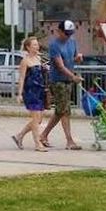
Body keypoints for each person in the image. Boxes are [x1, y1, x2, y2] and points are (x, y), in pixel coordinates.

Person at [38, 20, 84, 150]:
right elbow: (60, 66)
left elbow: (72, 59)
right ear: (59, 32)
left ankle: (43, 135)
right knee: (64, 111)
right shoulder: (54, 45)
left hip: (68, 80)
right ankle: (69, 141)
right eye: (66, 33)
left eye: (70, 33)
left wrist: (78, 58)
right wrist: (73, 77)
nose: (68, 36)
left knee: (61, 111)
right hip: (58, 81)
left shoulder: (72, 42)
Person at [11, 36, 50, 150]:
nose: (37, 47)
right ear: (28, 47)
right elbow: (22, 78)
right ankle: (38, 144)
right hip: (30, 92)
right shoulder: (25, 61)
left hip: (40, 91)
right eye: (34, 45)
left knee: (39, 119)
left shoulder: (39, 58)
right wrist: (19, 94)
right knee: (35, 118)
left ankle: (19, 136)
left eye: (37, 44)